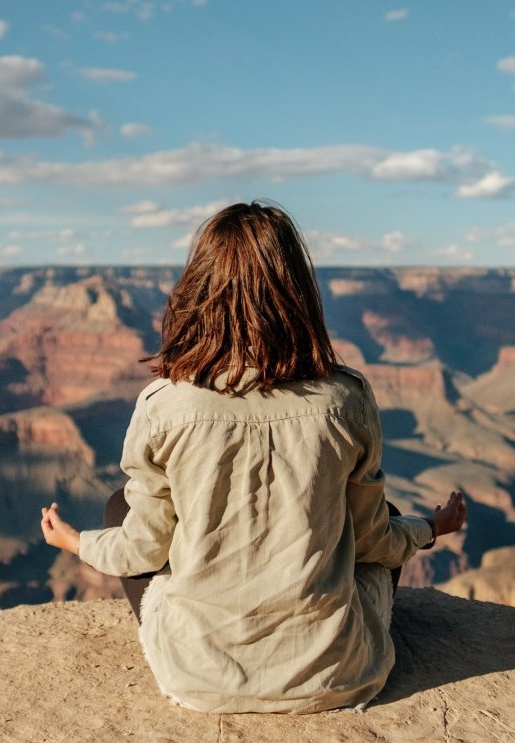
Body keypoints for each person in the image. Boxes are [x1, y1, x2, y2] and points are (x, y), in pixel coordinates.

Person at [40, 201, 466, 714]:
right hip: (337, 675)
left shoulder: (164, 404)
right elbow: (374, 540)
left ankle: (210, 650)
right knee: (388, 516)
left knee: (119, 509)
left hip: (198, 679)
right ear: (298, 293)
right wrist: (429, 528)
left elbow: (143, 552)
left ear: (198, 291)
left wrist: (75, 542)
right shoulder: (345, 398)